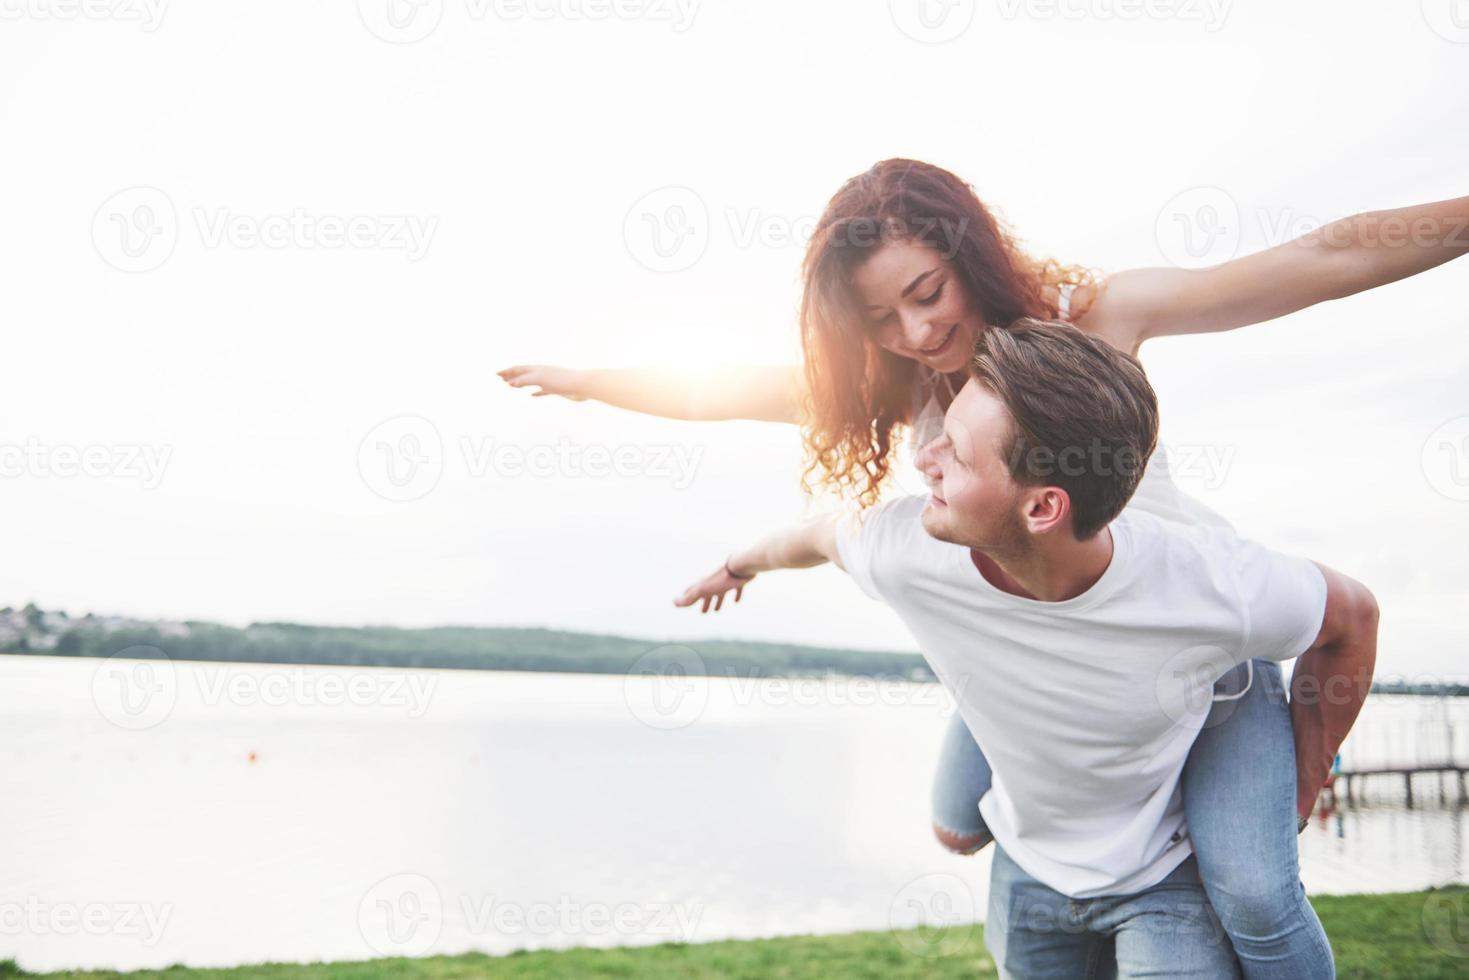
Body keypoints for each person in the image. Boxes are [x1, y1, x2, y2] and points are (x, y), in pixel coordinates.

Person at [499, 159, 1459, 972]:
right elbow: (725, 391)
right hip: (1028, 632)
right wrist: (592, 383)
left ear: (971, 258)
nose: (917, 333)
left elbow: (1320, 260)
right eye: (881, 319)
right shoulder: (898, 387)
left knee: (1249, 882)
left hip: (1186, 643)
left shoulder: (1096, 318)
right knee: (958, 826)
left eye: (926, 294)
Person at [675, 319, 1378, 977]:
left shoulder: (1206, 583)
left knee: (1258, 892)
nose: (925, 459)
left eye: (956, 451)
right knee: (954, 829)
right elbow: (812, 536)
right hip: (1028, 866)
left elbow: (1352, 616)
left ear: (1043, 506)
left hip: (1163, 881)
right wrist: (737, 565)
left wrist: (1303, 778)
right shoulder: (904, 548)